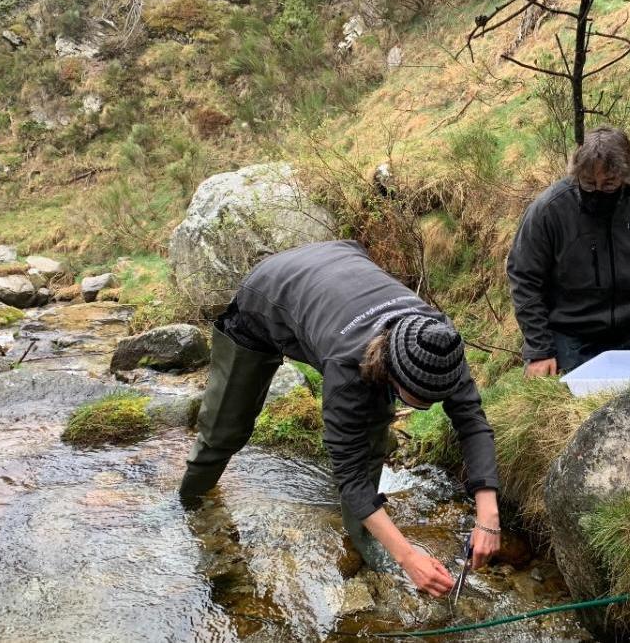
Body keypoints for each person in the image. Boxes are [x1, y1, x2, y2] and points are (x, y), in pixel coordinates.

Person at [178, 240, 501, 597]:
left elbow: (471, 420)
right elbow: (347, 471)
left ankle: (365, 539)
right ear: (389, 372)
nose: (429, 407)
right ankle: (190, 502)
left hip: (339, 265)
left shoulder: (438, 344)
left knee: (371, 440)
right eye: (419, 402)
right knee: (225, 430)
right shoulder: (347, 369)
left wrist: (488, 515)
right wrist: (409, 555)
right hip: (266, 297)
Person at [506, 126, 630, 376]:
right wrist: (540, 350)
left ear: (627, 176)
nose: (598, 191)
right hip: (572, 329)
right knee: (561, 381)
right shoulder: (549, 210)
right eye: (589, 184)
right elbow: (524, 278)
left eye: (609, 184)